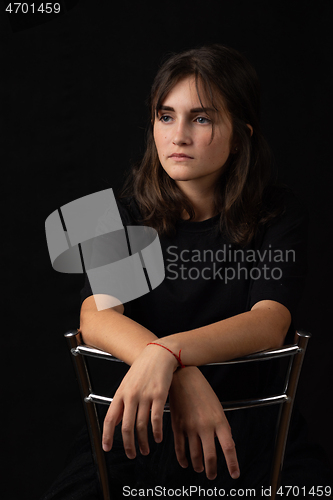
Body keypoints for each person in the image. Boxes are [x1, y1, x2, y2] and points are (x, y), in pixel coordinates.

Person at [42, 44, 332, 499]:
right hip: (138, 436)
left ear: (241, 134)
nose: (178, 136)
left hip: (251, 435)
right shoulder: (112, 213)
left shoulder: (280, 213)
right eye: (165, 116)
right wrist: (180, 372)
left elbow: (270, 322)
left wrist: (169, 354)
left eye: (201, 118)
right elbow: (96, 318)